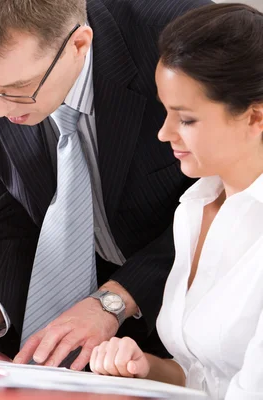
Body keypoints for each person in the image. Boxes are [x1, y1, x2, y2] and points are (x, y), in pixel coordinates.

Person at [0, 0, 211, 369]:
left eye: (18, 88)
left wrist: (113, 301)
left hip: (190, 309)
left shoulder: (184, 38)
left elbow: (223, 198)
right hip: (58, 335)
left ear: (79, 44)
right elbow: (9, 211)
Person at [88, 3, 263, 399]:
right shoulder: (192, 209)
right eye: (165, 112)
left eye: (186, 119)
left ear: (256, 118)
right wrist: (144, 365)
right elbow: (202, 376)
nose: (164, 133)